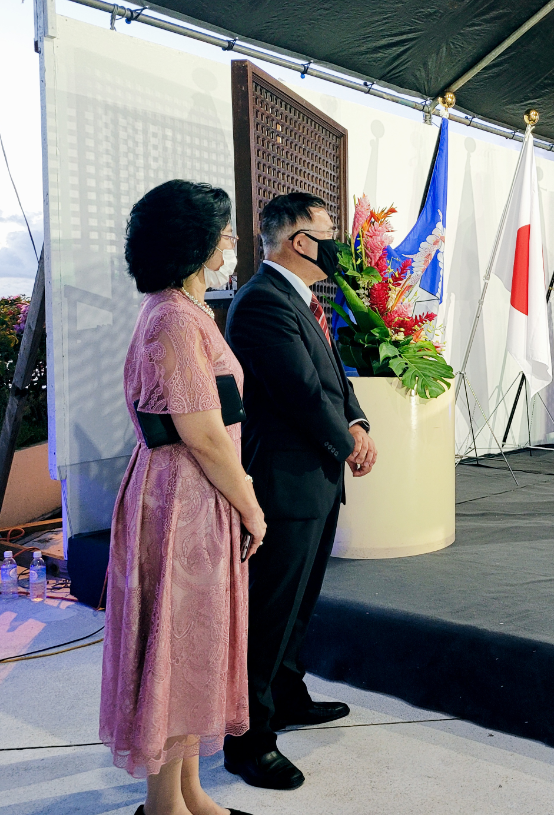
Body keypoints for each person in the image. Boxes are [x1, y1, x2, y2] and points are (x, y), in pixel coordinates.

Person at [100, 179, 267, 815]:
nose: (231, 238)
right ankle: (165, 808)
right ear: (196, 243)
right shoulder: (172, 315)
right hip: (181, 501)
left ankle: (191, 794)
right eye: (223, 229)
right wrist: (249, 502)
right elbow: (200, 428)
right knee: (173, 645)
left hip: (190, 496)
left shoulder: (184, 310)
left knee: (190, 645)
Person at [223, 191, 377, 790]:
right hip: (283, 481)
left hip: (316, 476)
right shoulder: (260, 301)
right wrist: (348, 443)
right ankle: (248, 738)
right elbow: (299, 391)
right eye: (329, 229)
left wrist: (358, 423)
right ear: (300, 241)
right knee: (269, 611)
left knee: (299, 603)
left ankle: (287, 696)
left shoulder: (305, 298)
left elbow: (335, 381)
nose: (338, 240)